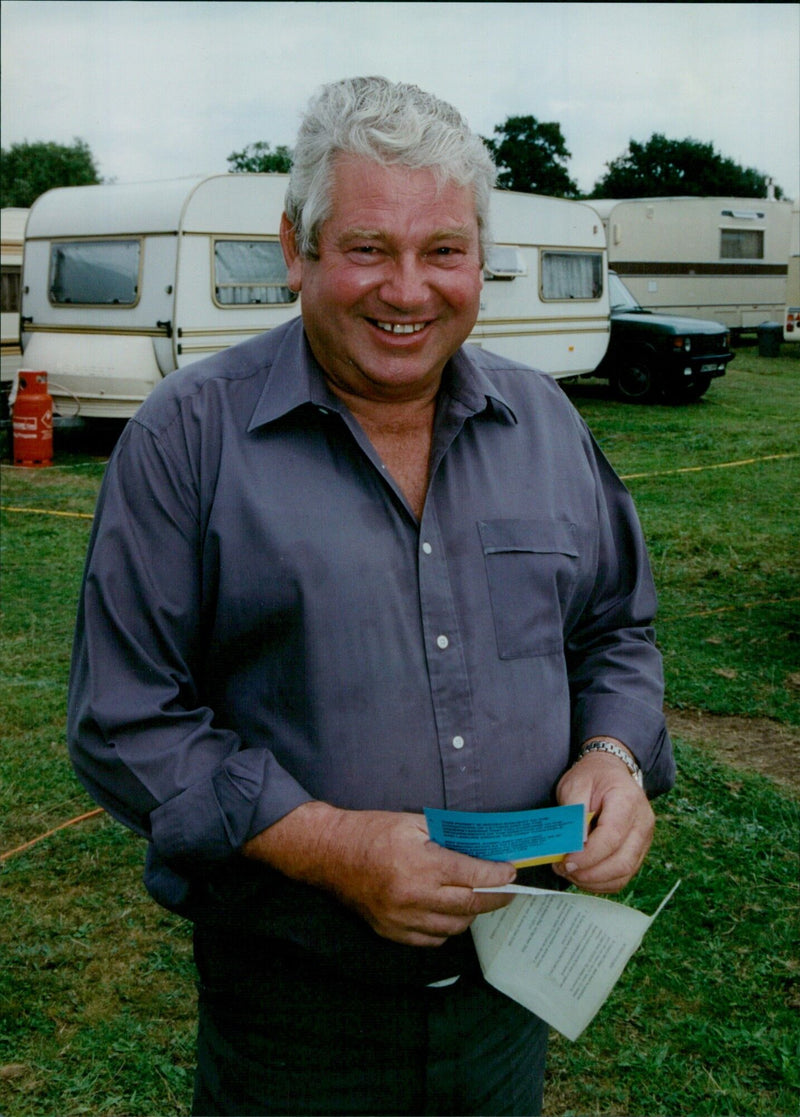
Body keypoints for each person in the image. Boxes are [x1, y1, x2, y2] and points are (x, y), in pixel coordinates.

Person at [67, 76, 675, 1117]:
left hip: (508, 1006)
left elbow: (615, 627)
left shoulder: (545, 424)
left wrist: (611, 754)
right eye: (365, 249)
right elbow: (124, 718)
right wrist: (332, 845)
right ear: (295, 249)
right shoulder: (187, 438)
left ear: (478, 256)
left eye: (441, 250)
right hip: (296, 1025)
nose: (407, 289)